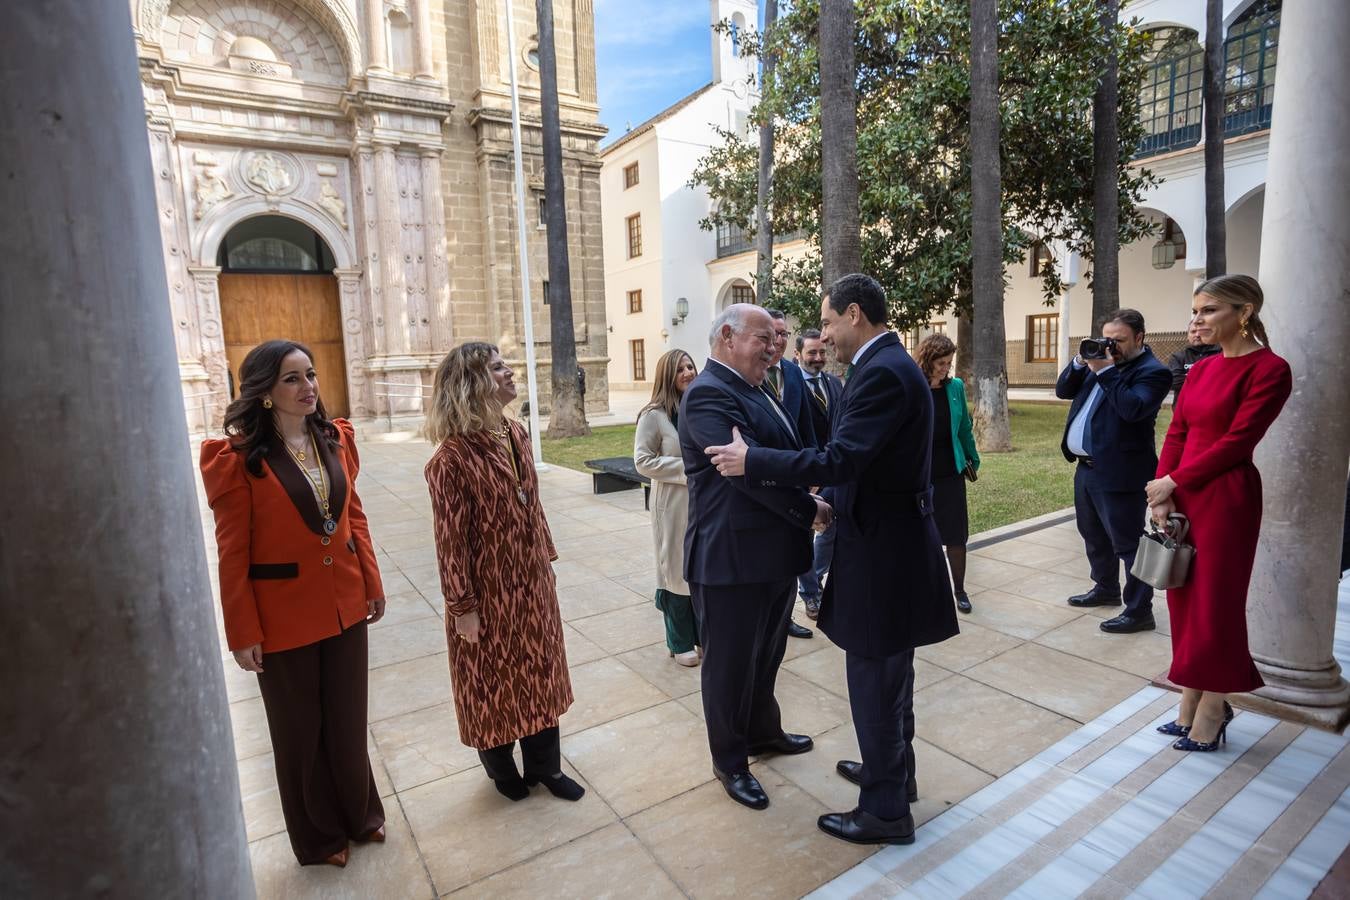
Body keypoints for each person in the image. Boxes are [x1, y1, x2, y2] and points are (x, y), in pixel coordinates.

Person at [707, 274, 960, 846]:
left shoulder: (882, 372)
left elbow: (843, 457)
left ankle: (885, 811)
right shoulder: (889, 365)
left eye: (825, 323)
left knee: (874, 679)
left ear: (853, 314)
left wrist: (755, 460)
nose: (822, 335)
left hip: (883, 554)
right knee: (890, 679)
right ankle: (892, 775)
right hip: (889, 544)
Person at [200, 339, 386, 868]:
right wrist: (242, 632)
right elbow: (232, 552)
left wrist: (371, 583)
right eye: (292, 379)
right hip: (281, 617)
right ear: (264, 392)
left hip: (345, 601)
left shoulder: (335, 439)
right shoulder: (235, 460)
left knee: (348, 721)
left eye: (311, 375)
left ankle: (360, 815)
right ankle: (319, 838)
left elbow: (354, 518)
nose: (308, 387)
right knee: (299, 732)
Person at [678, 304, 829, 811]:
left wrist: (790, 472)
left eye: (775, 338)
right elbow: (744, 475)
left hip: (771, 555)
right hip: (731, 561)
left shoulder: (754, 387)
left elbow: (771, 455)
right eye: (763, 338)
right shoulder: (706, 395)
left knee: (766, 656)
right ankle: (730, 760)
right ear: (726, 336)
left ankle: (765, 733)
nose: (774, 347)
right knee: (729, 668)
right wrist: (808, 506)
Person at [424, 342, 583, 802]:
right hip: (485, 593)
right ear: (472, 384)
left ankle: (546, 768)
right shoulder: (449, 460)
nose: (510, 372)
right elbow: (450, 543)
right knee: (492, 683)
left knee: (541, 673)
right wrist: (462, 608)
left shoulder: (515, 433)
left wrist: (544, 560)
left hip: (531, 583)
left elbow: (531, 505)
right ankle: (502, 772)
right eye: (497, 368)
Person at [1145, 275, 1291, 752]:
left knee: (1217, 604)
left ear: (1243, 312)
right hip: (1184, 493)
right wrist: (1162, 492)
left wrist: (1174, 481)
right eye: (1195, 311)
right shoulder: (1201, 370)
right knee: (1184, 601)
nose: (1196, 320)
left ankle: (1213, 707)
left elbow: (1237, 442)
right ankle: (1190, 699)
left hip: (1227, 498)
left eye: (1208, 310)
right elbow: (1178, 432)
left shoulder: (1270, 369)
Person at [1055, 309, 1172, 634]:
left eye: (1119, 340)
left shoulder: (1152, 372)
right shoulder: (1100, 361)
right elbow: (1063, 391)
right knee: (1093, 535)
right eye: (1107, 339)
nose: (1111, 346)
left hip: (1122, 471)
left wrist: (1106, 371)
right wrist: (1081, 362)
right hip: (1087, 469)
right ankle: (1105, 588)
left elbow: (1133, 409)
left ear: (1139, 337)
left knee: (1128, 545)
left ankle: (1139, 611)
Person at [633, 349, 700, 667]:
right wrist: (690, 468)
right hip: (672, 506)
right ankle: (679, 640)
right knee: (674, 572)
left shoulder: (700, 409)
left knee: (698, 570)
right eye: (680, 369)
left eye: (690, 366)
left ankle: (699, 634)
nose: (688, 372)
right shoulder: (654, 415)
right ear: (666, 376)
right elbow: (642, 460)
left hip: (703, 504)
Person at [914, 334, 980, 614]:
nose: (945, 368)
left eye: (949, 363)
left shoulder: (955, 388)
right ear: (927, 360)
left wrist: (972, 458)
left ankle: (960, 590)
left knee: (955, 535)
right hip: (919, 475)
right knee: (920, 537)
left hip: (950, 473)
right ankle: (923, 590)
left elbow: (964, 426)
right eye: (940, 363)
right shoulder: (914, 387)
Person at [766, 308, 818, 639]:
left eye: (785, 333)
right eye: (774, 333)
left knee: (796, 549)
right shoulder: (747, 374)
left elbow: (807, 427)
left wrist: (814, 470)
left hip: (797, 477)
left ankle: (786, 616)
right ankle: (770, 620)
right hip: (765, 479)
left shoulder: (794, 373)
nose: (780, 339)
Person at [794, 328, 844, 620]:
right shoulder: (791, 387)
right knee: (803, 536)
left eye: (822, 352)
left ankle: (817, 579)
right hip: (806, 474)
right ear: (798, 354)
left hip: (834, 472)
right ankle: (810, 594)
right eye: (811, 353)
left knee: (830, 528)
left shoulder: (833, 384)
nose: (818, 358)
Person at [1167, 321, 1221, 402]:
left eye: (1201, 331)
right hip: (1183, 410)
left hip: (1213, 407)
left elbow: (1221, 380)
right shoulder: (1178, 357)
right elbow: (1173, 382)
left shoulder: (1220, 354)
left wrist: (1188, 376)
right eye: (1193, 332)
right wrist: (1207, 378)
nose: (1197, 335)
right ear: (1188, 335)